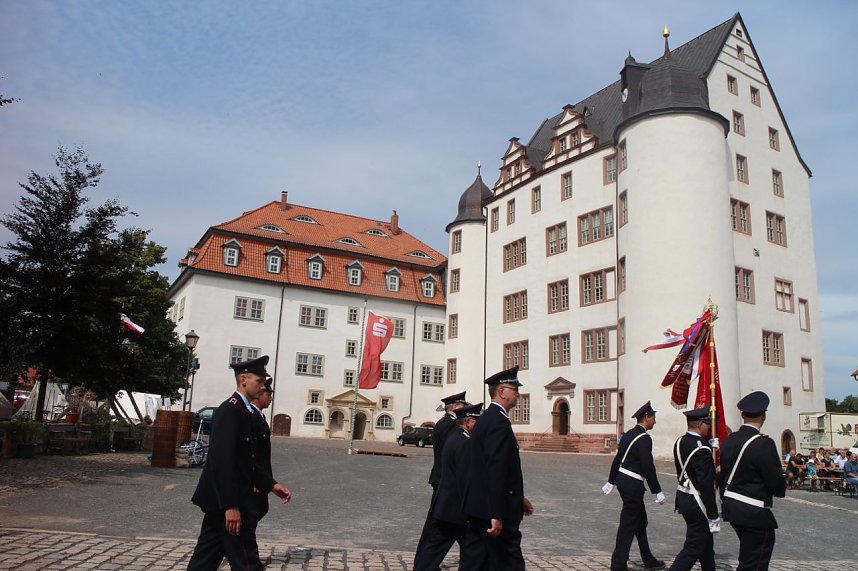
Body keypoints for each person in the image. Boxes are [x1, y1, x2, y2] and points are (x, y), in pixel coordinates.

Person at [187, 356, 292, 571]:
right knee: (247, 562)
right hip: (231, 502)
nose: (262, 386)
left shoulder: (245, 412)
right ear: (243, 379)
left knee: (204, 561)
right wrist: (230, 506)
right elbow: (222, 462)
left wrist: (270, 485)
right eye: (259, 381)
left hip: (224, 502)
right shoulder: (230, 410)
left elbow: (247, 460)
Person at [463, 366, 533, 570]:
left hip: (480, 505)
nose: (518, 394)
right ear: (502, 391)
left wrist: (519, 498)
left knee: (476, 561)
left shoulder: (486, 419)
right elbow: (496, 469)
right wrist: (496, 513)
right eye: (515, 389)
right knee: (509, 561)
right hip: (494, 508)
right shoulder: (498, 422)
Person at [719, 391, 786, 571]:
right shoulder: (763, 443)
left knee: (748, 558)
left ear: (742, 415)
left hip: (733, 507)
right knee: (754, 564)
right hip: (754, 510)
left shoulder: (729, 440)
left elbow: (722, 473)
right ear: (763, 416)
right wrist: (781, 488)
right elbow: (775, 481)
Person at [413, 402, 484, 571]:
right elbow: (465, 478)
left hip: (449, 507)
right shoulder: (464, 443)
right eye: (477, 421)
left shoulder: (456, 438)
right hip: (456, 509)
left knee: (470, 550)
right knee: (440, 548)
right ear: (468, 422)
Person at [604, 401, 666, 571]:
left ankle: (648, 559)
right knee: (628, 524)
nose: (654, 421)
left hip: (623, 480)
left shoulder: (628, 435)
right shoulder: (644, 439)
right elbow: (647, 466)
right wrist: (657, 491)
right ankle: (618, 564)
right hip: (633, 484)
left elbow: (618, 459)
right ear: (647, 418)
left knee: (640, 522)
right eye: (653, 418)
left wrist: (611, 480)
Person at [667, 406, 720, 571]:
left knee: (706, 547)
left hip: (684, 497)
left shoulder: (680, 441)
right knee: (693, 547)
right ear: (700, 425)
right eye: (707, 424)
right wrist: (713, 515)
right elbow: (706, 485)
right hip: (697, 502)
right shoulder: (702, 449)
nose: (709, 427)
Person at [250, 375, 275, 518]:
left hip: (261, 479)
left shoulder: (259, 416)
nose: (271, 398)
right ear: (259, 394)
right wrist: (254, 481)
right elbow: (251, 454)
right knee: (253, 513)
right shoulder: (251, 416)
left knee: (260, 510)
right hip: (255, 482)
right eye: (268, 394)